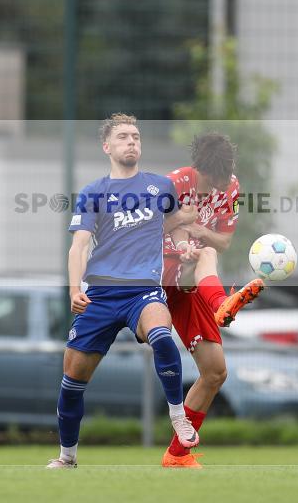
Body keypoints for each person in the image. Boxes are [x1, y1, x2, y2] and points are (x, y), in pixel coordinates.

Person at [46, 114, 199, 469]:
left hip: (143, 290)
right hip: (100, 294)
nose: (132, 141)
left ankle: (178, 417)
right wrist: (74, 288)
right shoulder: (93, 192)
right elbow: (79, 247)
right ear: (107, 147)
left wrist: (185, 249)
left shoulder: (160, 187)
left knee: (162, 335)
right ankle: (67, 457)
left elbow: (174, 229)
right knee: (72, 380)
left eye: (136, 136)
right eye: (124, 137)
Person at [159, 132, 264, 468]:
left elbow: (225, 241)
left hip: (191, 284)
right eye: (210, 182)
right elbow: (142, 228)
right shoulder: (172, 184)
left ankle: (177, 455)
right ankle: (221, 301)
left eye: (221, 182)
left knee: (215, 371)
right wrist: (180, 231)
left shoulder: (232, 189)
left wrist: (199, 233)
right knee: (202, 254)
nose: (216, 190)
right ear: (197, 169)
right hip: (158, 274)